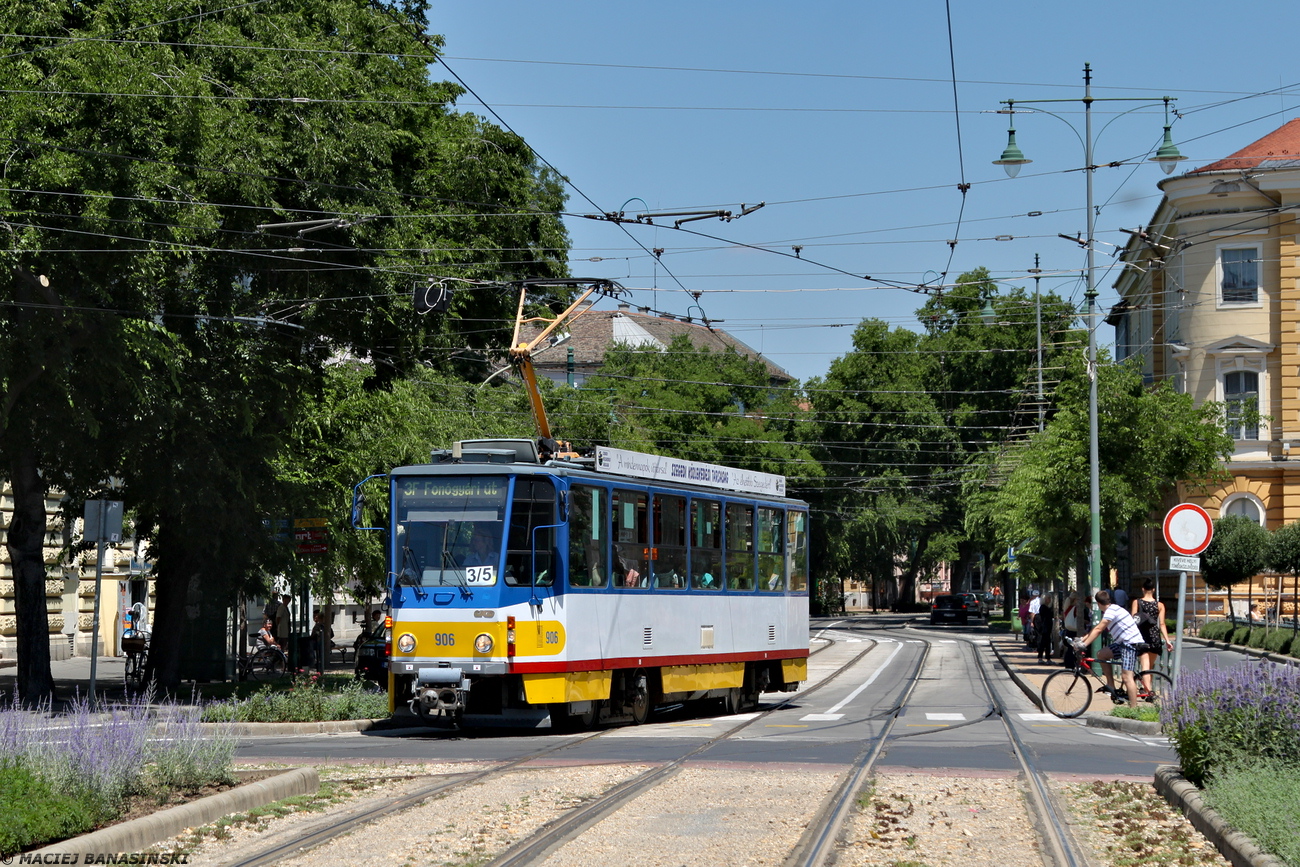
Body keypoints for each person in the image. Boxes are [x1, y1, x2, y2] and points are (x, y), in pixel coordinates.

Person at [1076, 589, 1144, 706]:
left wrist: (1084, 645)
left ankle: (1134, 709)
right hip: (1122, 643)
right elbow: (1097, 627)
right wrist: (1083, 639)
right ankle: (1110, 685)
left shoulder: (1111, 611)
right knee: (1102, 654)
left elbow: (1099, 629)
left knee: (1127, 677)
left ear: (1098, 604)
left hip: (1130, 643)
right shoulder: (1113, 609)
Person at [1132, 579, 1172, 693]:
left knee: (1144, 665)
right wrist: (1167, 640)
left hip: (1140, 636)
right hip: (1154, 636)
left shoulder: (1137, 602)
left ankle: (1147, 690)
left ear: (1143, 589)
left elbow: (1133, 620)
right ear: (1153, 590)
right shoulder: (1159, 605)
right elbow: (1162, 624)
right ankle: (1147, 689)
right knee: (1150, 667)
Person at [1060, 592, 1080, 668]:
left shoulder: (1068, 607)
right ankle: (1071, 664)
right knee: (1072, 648)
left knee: (1070, 648)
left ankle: (1068, 664)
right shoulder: (1075, 608)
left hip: (1068, 629)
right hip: (1074, 630)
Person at [1034, 593, 1055, 663]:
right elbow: (1045, 618)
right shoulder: (1043, 607)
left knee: (1047, 643)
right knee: (1043, 643)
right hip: (1044, 628)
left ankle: (1047, 658)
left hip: (1047, 628)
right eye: (1047, 598)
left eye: (1049, 598)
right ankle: (1041, 658)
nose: (1049, 599)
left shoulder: (1047, 607)